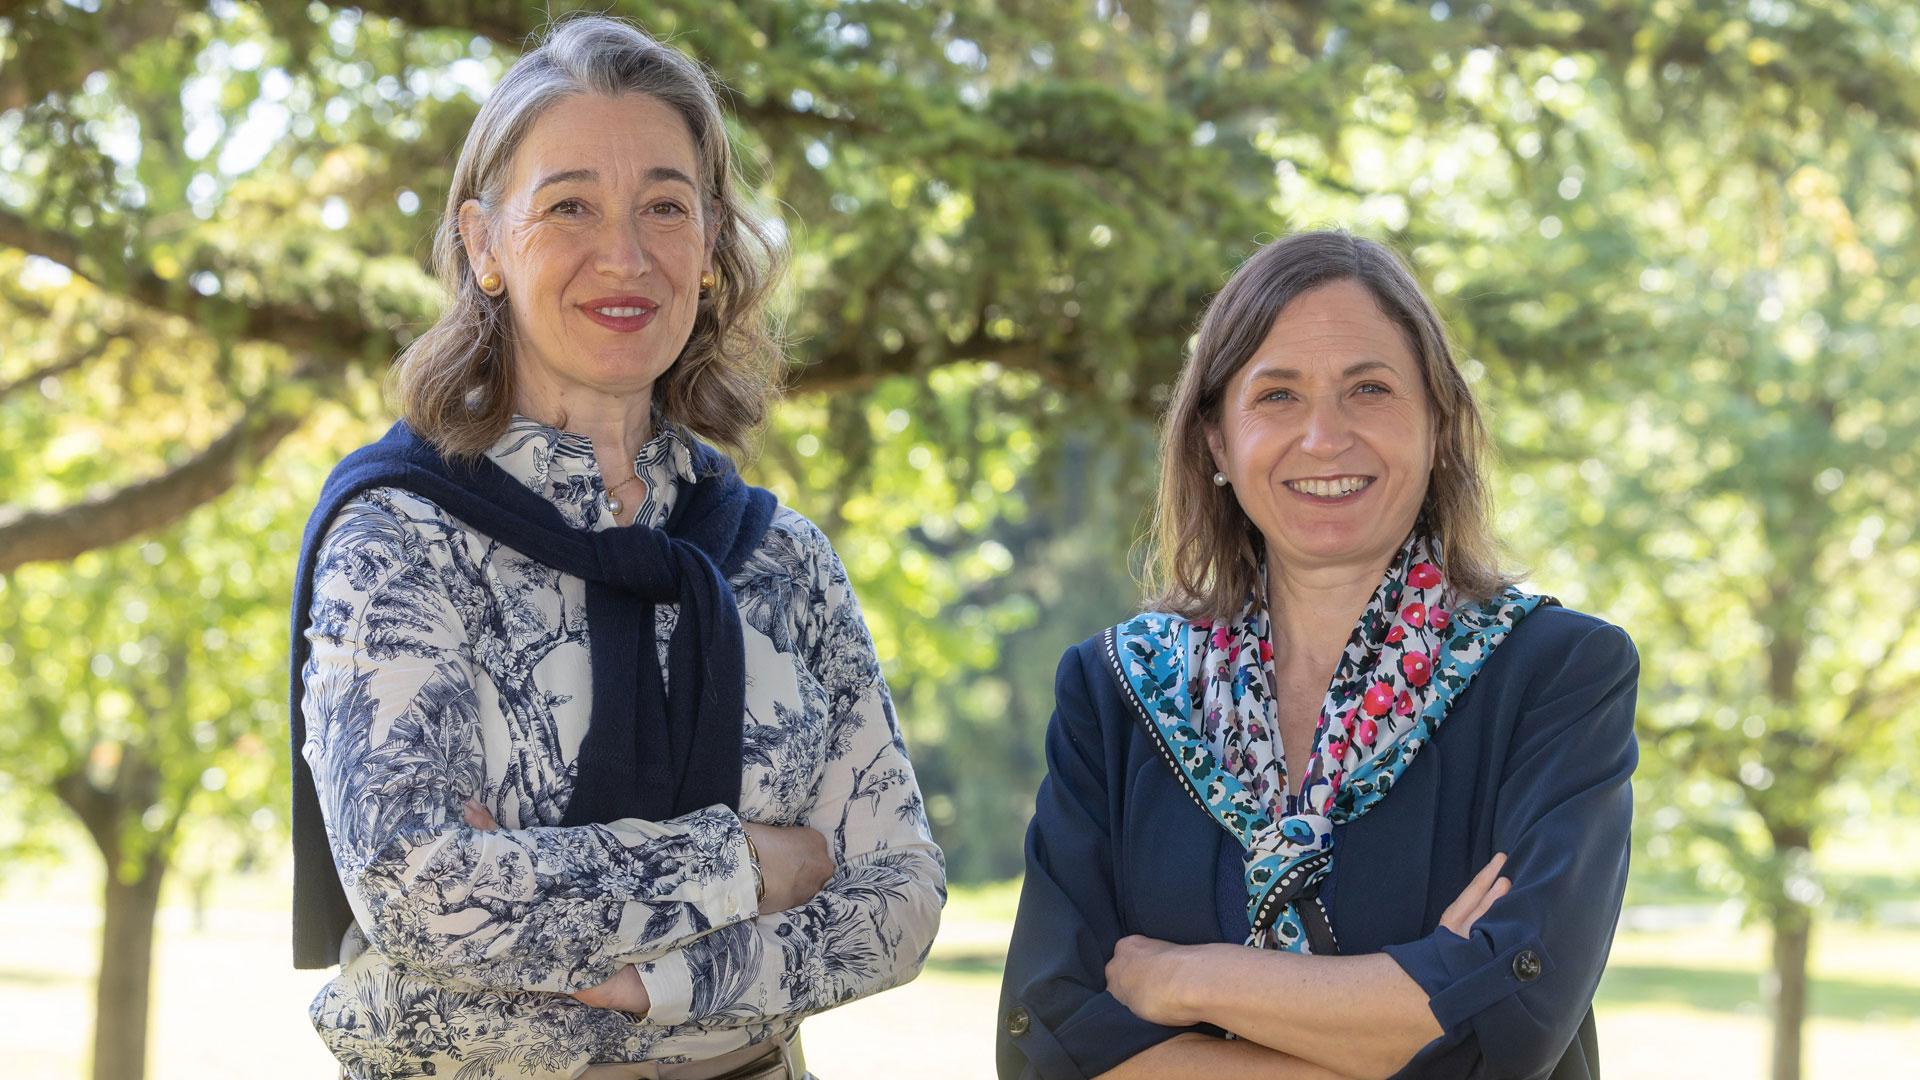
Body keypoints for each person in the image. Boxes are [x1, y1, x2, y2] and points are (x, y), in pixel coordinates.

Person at [288, 15, 944, 1080]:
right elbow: (420, 891)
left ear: (711, 243)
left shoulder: (777, 560)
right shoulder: (402, 540)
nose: (626, 255)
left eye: (665, 208)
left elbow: (903, 896)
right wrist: (749, 865)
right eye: (569, 206)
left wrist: (657, 980)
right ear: (483, 244)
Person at [996, 230, 1637, 1079]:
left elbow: (1508, 1027)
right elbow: (1047, 1039)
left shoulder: (1557, 675)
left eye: (1369, 389)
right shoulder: (1116, 692)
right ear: (1219, 443)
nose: (1325, 438)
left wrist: (1185, 978)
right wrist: (1398, 1012)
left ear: (1438, 425)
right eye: (1277, 396)